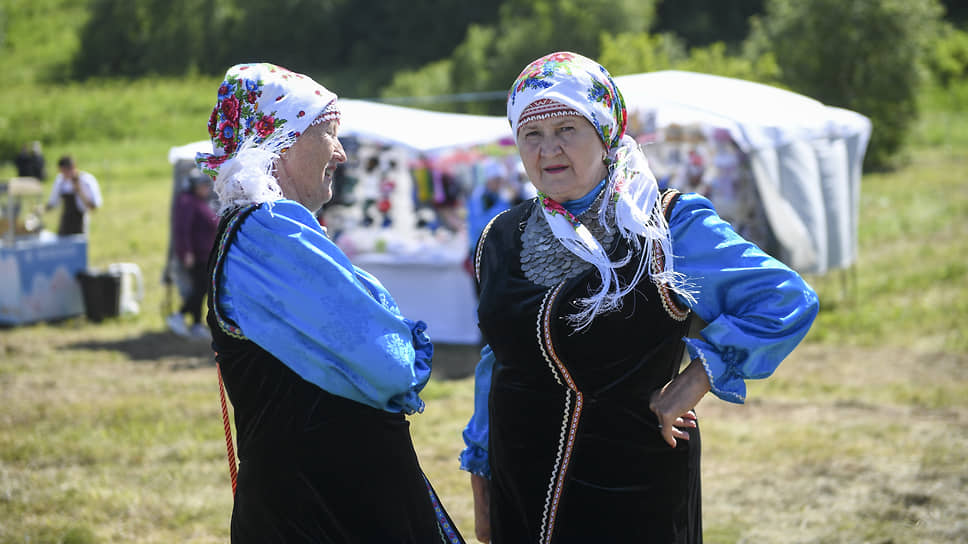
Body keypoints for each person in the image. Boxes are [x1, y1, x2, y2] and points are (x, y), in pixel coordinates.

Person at [459, 52, 819, 543]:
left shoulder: (666, 226)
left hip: (628, 492)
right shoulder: (501, 235)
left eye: (568, 128)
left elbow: (783, 297)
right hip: (520, 488)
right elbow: (496, 363)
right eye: (533, 135)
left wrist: (698, 378)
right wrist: (484, 492)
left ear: (606, 133)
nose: (549, 150)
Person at [195, 63, 464, 543]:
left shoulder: (256, 231)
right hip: (323, 509)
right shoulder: (268, 231)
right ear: (281, 138)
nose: (339, 153)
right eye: (327, 132)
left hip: (313, 502)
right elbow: (391, 364)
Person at [167, 169, 218, 340]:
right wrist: (186, 252)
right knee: (200, 289)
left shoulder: (198, 202)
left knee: (201, 289)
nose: (206, 189)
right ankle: (179, 315)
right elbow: (182, 230)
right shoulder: (187, 202)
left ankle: (196, 324)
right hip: (196, 254)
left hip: (205, 254)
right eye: (203, 185)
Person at [46, 155, 102, 236]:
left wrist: (79, 191)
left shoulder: (87, 181)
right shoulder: (60, 181)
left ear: (73, 167)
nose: (63, 175)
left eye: (65, 172)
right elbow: (53, 202)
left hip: (80, 222)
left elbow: (93, 207)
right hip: (65, 222)